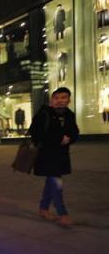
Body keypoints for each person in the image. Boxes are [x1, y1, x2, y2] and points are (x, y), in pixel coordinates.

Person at [29, 87, 79, 226]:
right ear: (52, 100)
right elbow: (36, 134)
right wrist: (58, 139)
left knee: (51, 182)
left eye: (63, 98)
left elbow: (75, 131)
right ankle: (62, 213)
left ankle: (43, 209)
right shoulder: (44, 114)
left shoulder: (69, 114)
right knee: (56, 183)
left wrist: (70, 138)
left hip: (61, 155)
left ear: (69, 100)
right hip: (46, 155)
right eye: (56, 98)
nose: (60, 101)